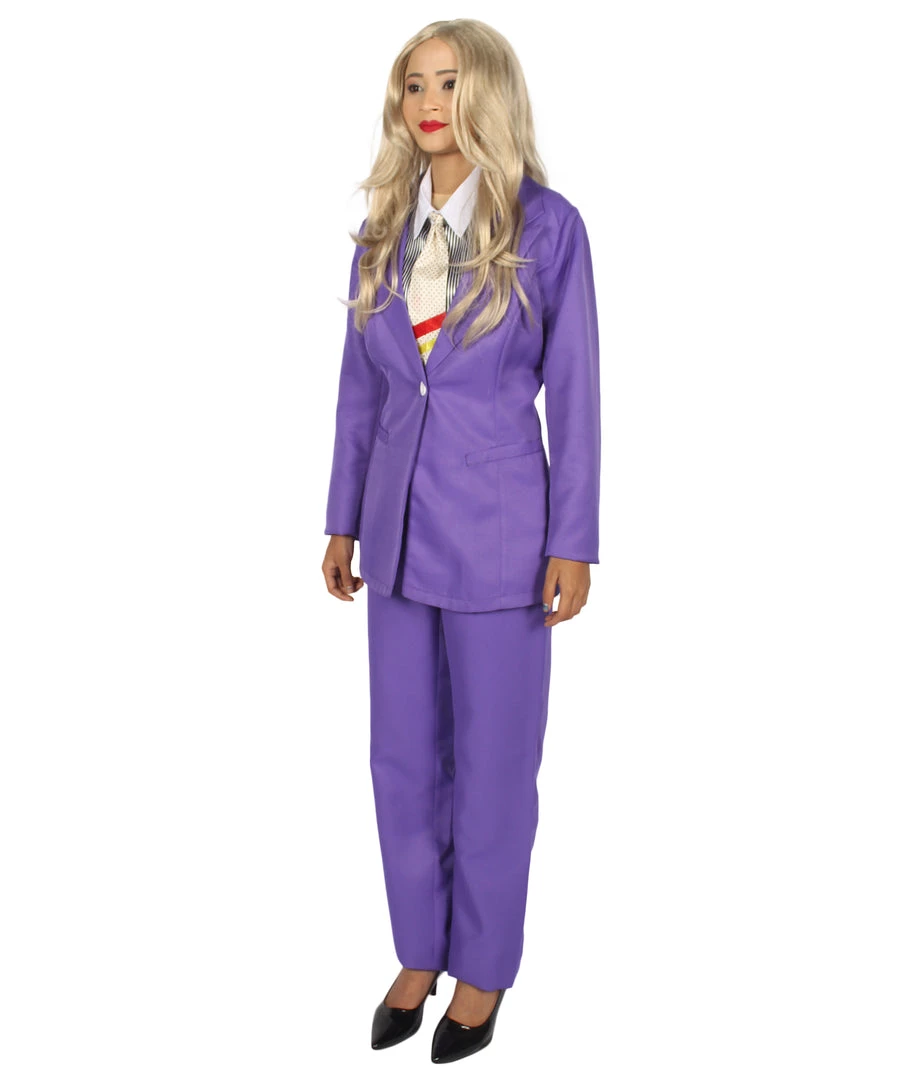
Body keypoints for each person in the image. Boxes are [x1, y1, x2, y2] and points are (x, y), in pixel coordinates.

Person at [321, 18, 600, 1065]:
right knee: (399, 757)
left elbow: (576, 391)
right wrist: (343, 516)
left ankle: (482, 966)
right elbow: (361, 388)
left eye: (447, 82)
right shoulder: (383, 227)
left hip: (501, 537)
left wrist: (573, 539)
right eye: (412, 85)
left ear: (485, 92)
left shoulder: (547, 227)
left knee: (492, 766)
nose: (428, 102)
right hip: (394, 533)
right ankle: (418, 948)